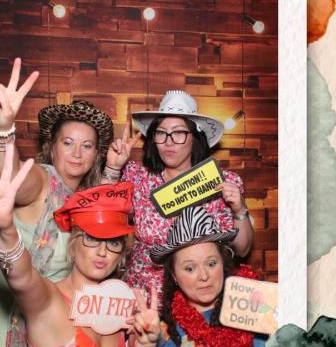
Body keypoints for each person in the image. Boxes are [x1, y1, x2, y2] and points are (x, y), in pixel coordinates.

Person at [0, 58, 115, 347]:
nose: (76, 153)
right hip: (13, 318)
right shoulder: (43, 181)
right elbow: (13, 174)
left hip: (59, 333)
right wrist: (4, 129)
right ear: (53, 146)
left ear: (95, 154)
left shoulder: (85, 201)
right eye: (68, 142)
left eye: (87, 146)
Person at [0, 145, 135, 347]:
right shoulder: (49, 301)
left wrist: (144, 346)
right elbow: (22, 278)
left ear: (122, 254)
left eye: (113, 242)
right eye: (92, 238)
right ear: (74, 242)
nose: (102, 251)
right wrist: (6, 231)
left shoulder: (120, 304)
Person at [104, 89, 253, 294]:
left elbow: (242, 250)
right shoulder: (139, 177)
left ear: (195, 137)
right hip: (143, 293)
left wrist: (239, 210)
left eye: (179, 133)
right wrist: (113, 167)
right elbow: (103, 218)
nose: (169, 141)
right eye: (161, 133)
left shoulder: (223, 182)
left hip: (199, 294)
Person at [122, 206, 265, 347]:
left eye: (211, 263)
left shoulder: (254, 306)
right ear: (174, 275)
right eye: (190, 268)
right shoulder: (168, 329)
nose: (204, 276)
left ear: (223, 264)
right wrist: (144, 345)